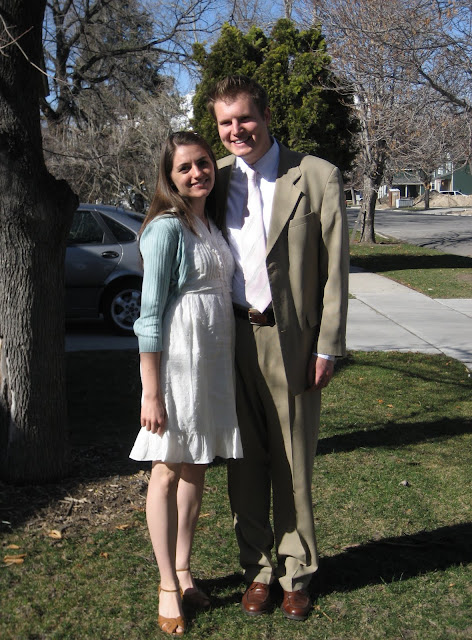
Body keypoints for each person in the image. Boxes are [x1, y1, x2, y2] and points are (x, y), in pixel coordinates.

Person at [207, 76, 349, 621]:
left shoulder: (315, 175)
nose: (236, 130)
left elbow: (335, 271)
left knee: (293, 462)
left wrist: (327, 347)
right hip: (229, 339)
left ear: (266, 116)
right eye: (225, 122)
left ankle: (296, 572)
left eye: (244, 117)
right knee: (243, 461)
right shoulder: (213, 178)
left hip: (292, 340)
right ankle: (257, 570)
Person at [129, 131, 242, 636]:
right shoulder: (166, 229)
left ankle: (184, 569)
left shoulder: (210, 223)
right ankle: (166, 585)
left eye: (203, 163)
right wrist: (151, 391)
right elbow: (149, 317)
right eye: (185, 167)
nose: (197, 172)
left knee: (196, 466)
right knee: (166, 470)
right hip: (178, 362)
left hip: (212, 361)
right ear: (169, 177)